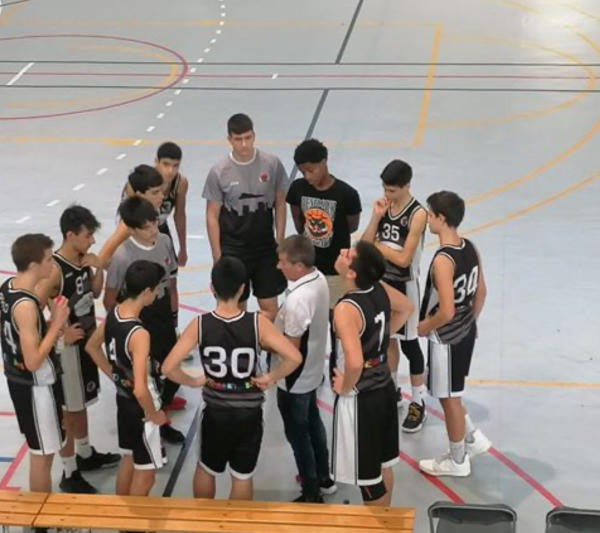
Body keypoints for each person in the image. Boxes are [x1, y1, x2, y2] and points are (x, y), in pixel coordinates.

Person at [162, 256, 302, 501]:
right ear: (243, 289)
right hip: (248, 413)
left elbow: (168, 367)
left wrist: (192, 381)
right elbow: (294, 357)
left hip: (215, 410)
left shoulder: (199, 324)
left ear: (212, 288)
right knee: (242, 476)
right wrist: (271, 376)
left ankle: (206, 521)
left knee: (206, 468)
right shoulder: (258, 323)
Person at [34, 205, 120, 494]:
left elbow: (94, 292)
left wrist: (97, 267)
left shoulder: (82, 260)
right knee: (69, 411)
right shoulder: (54, 271)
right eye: (88, 235)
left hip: (86, 339)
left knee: (81, 403)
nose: (93, 240)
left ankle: (84, 454)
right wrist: (59, 332)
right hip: (67, 348)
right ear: (70, 235)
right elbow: (31, 311)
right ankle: (69, 472)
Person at [330, 241, 413, 506]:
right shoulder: (379, 288)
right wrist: (379, 338)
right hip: (384, 384)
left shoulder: (345, 309)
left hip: (360, 397)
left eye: (348, 254)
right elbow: (406, 307)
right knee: (383, 464)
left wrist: (344, 387)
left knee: (369, 480)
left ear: (352, 272)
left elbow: (354, 363)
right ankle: (385, 520)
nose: (343, 252)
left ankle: (377, 525)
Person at [417, 191, 491, 477]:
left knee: (448, 399)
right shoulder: (470, 247)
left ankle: (458, 459)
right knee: (454, 391)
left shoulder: (442, 260)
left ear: (441, 218)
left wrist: (425, 326)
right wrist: (469, 323)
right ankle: (472, 438)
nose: (428, 219)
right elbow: (481, 293)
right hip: (466, 332)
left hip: (446, 339)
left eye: (430, 214)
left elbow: (446, 311)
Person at [86, 261, 171, 496]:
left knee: (128, 458)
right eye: (156, 289)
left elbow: (92, 347)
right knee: (146, 473)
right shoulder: (139, 334)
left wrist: (116, 377)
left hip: (123, 402)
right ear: (146, 292)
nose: (157, 293)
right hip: (142, 408)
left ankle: (122, 517)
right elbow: (141, 390)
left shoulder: (114, 313)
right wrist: (154, 415)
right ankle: (132, 526)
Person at [103, 197, 184, 444]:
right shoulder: (121, 255)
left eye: (155, 224)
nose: (153, 231)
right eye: (146, 227)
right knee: (147, 377)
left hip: (161, 314)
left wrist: (173, 317)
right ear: (131, 228)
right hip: (139, 318)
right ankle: (153, 426)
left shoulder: (165, 241)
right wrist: (125, 324)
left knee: (170, 371)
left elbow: (171, 283)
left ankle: (163, 413)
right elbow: (110, 298)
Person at [361, 160, 428, 432]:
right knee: (387, 339)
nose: (386, 195)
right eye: (384, 189)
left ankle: (419, 402)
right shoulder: (384, 207)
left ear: (406, 186)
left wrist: (379, 247)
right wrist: (376, 217)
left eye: (392, 190)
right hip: (383, 283)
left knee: (410, 346)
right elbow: (364, 245)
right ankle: (392, 390)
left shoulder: (418, 214)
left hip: (405, 284)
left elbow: (403, 259)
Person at [0, 234, 69, 494]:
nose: (53, 264)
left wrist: (47, 329)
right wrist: (57, 323)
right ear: (32, 265)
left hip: (18, 380)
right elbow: (32, 361)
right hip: (35, 387)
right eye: (49, 259)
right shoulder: (27, 306)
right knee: (43, 457)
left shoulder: (8, 287)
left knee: (41, 452)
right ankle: (40, 523)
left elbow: (18, 337)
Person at [202, 113, 289, 320]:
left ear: (254, 136)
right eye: (238, 139)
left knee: (270, 307)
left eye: (248, 138)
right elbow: (212, 216)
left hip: (265, 248)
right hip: (233, 249)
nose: (244, 144)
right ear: (229, 139)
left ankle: (265, 348)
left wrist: (280, 239)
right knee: (234, 309)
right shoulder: (218, 171)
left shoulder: (272, 164)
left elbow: (280, 203)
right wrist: (217, 257)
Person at [274, 235, 337, 502]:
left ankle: (311, 491)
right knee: (313, 424)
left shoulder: (298, 299)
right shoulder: (319, 278)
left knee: (298, 434)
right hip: (313, 371)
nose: (279, 266)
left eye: (283, 262)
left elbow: (291, 350)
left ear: (298, 266)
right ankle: (324, 477)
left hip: (295, 379)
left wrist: (270, 373)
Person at [287, 138, 361, 308]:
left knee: (334, 313)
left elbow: (352, 226)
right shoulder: (297, 188)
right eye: (302, 172)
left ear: (323, 162)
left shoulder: (347, 194)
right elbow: (299, 223)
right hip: (306, 267)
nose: (307, 176)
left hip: (334, 270)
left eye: (311, 170)